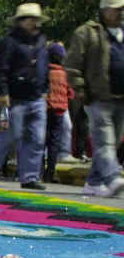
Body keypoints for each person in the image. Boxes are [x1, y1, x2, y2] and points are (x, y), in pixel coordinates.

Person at [0, 3, 50, 190]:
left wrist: (45, 89)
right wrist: (3, 92)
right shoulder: (10, 42)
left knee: (37, 138)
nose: (35, 24)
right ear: (21, 22)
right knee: (11, 135)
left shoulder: (42, 41)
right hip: (15, 98)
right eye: (31, 20)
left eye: (37, 20)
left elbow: (45, 67)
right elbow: (2, 69)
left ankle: (29, 177)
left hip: (37, 97)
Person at [66, 0, 124, 197]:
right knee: (104, 141)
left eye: (121, 9)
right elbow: (72, 64)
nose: (119, 12)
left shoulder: (122, 32)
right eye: (115, 9)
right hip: (96, 97)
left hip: (119, 98)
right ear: (103, 10)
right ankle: (113, 177)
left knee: (113, 142)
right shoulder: (87, 32)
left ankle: (93, 182)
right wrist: (80, 88)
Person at [44, 43, 72, 184]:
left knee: (42, 140)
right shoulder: (65, 74)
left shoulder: (44, 71)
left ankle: (38, 170)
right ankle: (50, 173)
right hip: (60, 111)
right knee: (54, 143)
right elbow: (71, 93)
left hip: (46, 109)